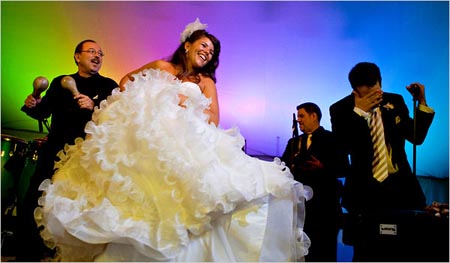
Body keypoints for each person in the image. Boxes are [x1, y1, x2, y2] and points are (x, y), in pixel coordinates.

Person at [34, 18, 311, 262]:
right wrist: (155, 100)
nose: (207, 52)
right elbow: (126, 82)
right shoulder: (161, 66)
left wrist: (183, 107)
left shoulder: (206, 82)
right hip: (152, 143)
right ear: (188, 45)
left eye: (212, 51)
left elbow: (213, 118)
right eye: (203, 46)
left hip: (187, 144)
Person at [16, 39, 118, 261]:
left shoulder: (109, 86)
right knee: (35, 199)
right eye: (91, 51)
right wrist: (33, 103)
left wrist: (95, 108)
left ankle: (62, 255)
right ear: (77, 56)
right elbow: (43, 113)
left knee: (74, 206)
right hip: (54, 150)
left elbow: (116, 122)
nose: (97, 55)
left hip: (86, 155)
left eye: (100, 52)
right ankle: (27, 254)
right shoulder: (58, 82)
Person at [329, 62, 435, 261]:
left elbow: (416, 137)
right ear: (355, 91)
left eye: (376, 91)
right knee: (366, 251)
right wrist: (359, 113)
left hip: (400, 188)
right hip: (365, 192)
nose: (374, 98)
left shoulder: (395, 100)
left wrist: (421, 102)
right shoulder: (340, 108)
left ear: (380, 84)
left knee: (405, 249)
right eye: (366, 94)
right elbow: (342, 148)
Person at [281, 102, 348, 262]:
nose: (299, 120)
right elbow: (282, 168)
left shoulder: (332, 139)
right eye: (297, 117)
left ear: (314, 116)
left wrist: (323, 167)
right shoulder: (293, 143)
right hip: (300, 211)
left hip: (325, 210)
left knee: (324, 252)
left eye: (302, 116)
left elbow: (344, 167)